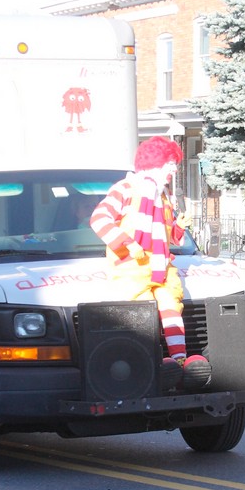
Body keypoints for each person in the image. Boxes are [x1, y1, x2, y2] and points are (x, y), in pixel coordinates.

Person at [90, 136, 208, 388]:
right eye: (170, 163)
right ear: (155, 162)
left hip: (162, 267)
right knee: (141, 320)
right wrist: (126, 243)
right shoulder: (125, 188)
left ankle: (178, 362)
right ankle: (150, 363)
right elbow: (99, 219)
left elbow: (167, 236)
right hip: (133, 269)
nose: (174, 169)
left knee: (171, 310)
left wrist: (179, 226)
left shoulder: (162, 196)